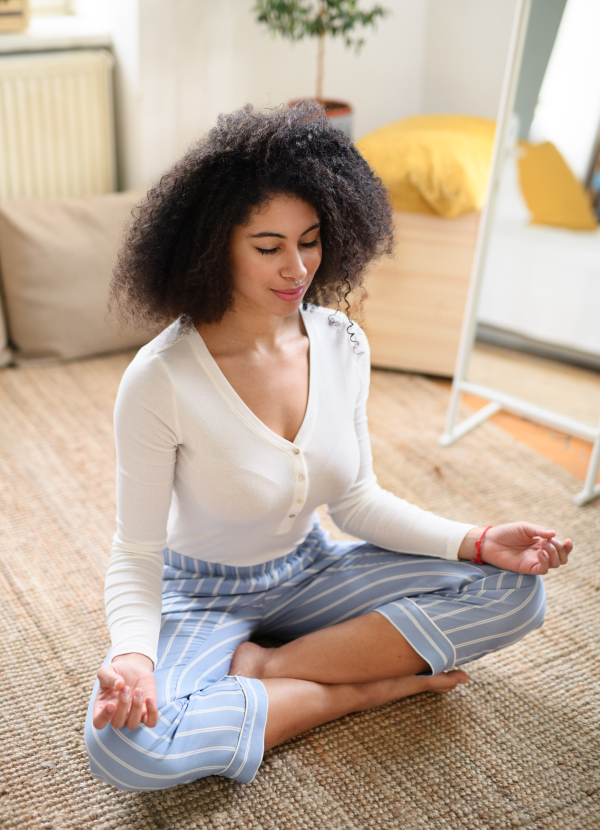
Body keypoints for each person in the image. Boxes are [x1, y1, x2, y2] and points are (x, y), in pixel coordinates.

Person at [85, 102, 572, 791]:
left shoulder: (342, 342)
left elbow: (357, 499)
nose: (297, 268)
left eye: (310, 241)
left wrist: (479, 538)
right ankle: (357, 689)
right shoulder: (160, 378)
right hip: (202, 593)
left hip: (313, 570)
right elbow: (135, 552)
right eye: (268, 247)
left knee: (518, 595)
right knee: (124, 747)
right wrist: (134, 655)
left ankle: (272, 669)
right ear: (212, 243)